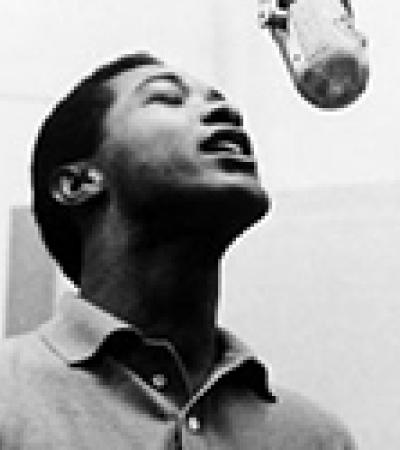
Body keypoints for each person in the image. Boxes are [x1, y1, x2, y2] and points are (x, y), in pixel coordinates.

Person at [0, 52, 356, 449]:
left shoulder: (316, 439)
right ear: (79, 182)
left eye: (219, 99)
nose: (227, 111)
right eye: (167, 98)